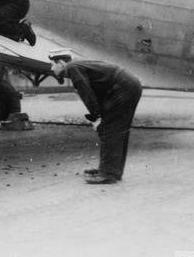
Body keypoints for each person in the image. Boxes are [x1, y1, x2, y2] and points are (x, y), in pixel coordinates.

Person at [48, 49, 142, 184]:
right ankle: (112, 171)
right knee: (116, 129)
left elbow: (86, 93)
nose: (51, 68)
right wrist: (99, 114)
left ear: (61, 63)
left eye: (52, 64)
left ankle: (108, 173)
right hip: (127, 84)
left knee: (110, 129)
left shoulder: (73, 68)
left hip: (123, 87)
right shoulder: (77, 64)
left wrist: (95, 116)